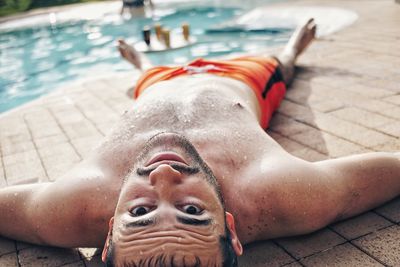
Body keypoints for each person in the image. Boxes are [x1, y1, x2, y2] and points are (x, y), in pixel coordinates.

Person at [0, 19, 399, 267]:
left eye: (139, 212)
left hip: (157, 83)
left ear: (108, 235)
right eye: (191, 210)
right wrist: (289, 53)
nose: (164, 175)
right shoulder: (284, 195)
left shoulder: (68, 209)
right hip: (242, 79)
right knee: (285, 67)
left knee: (148, 73)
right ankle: (294, 46)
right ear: (231, 228)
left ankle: (139, 61)